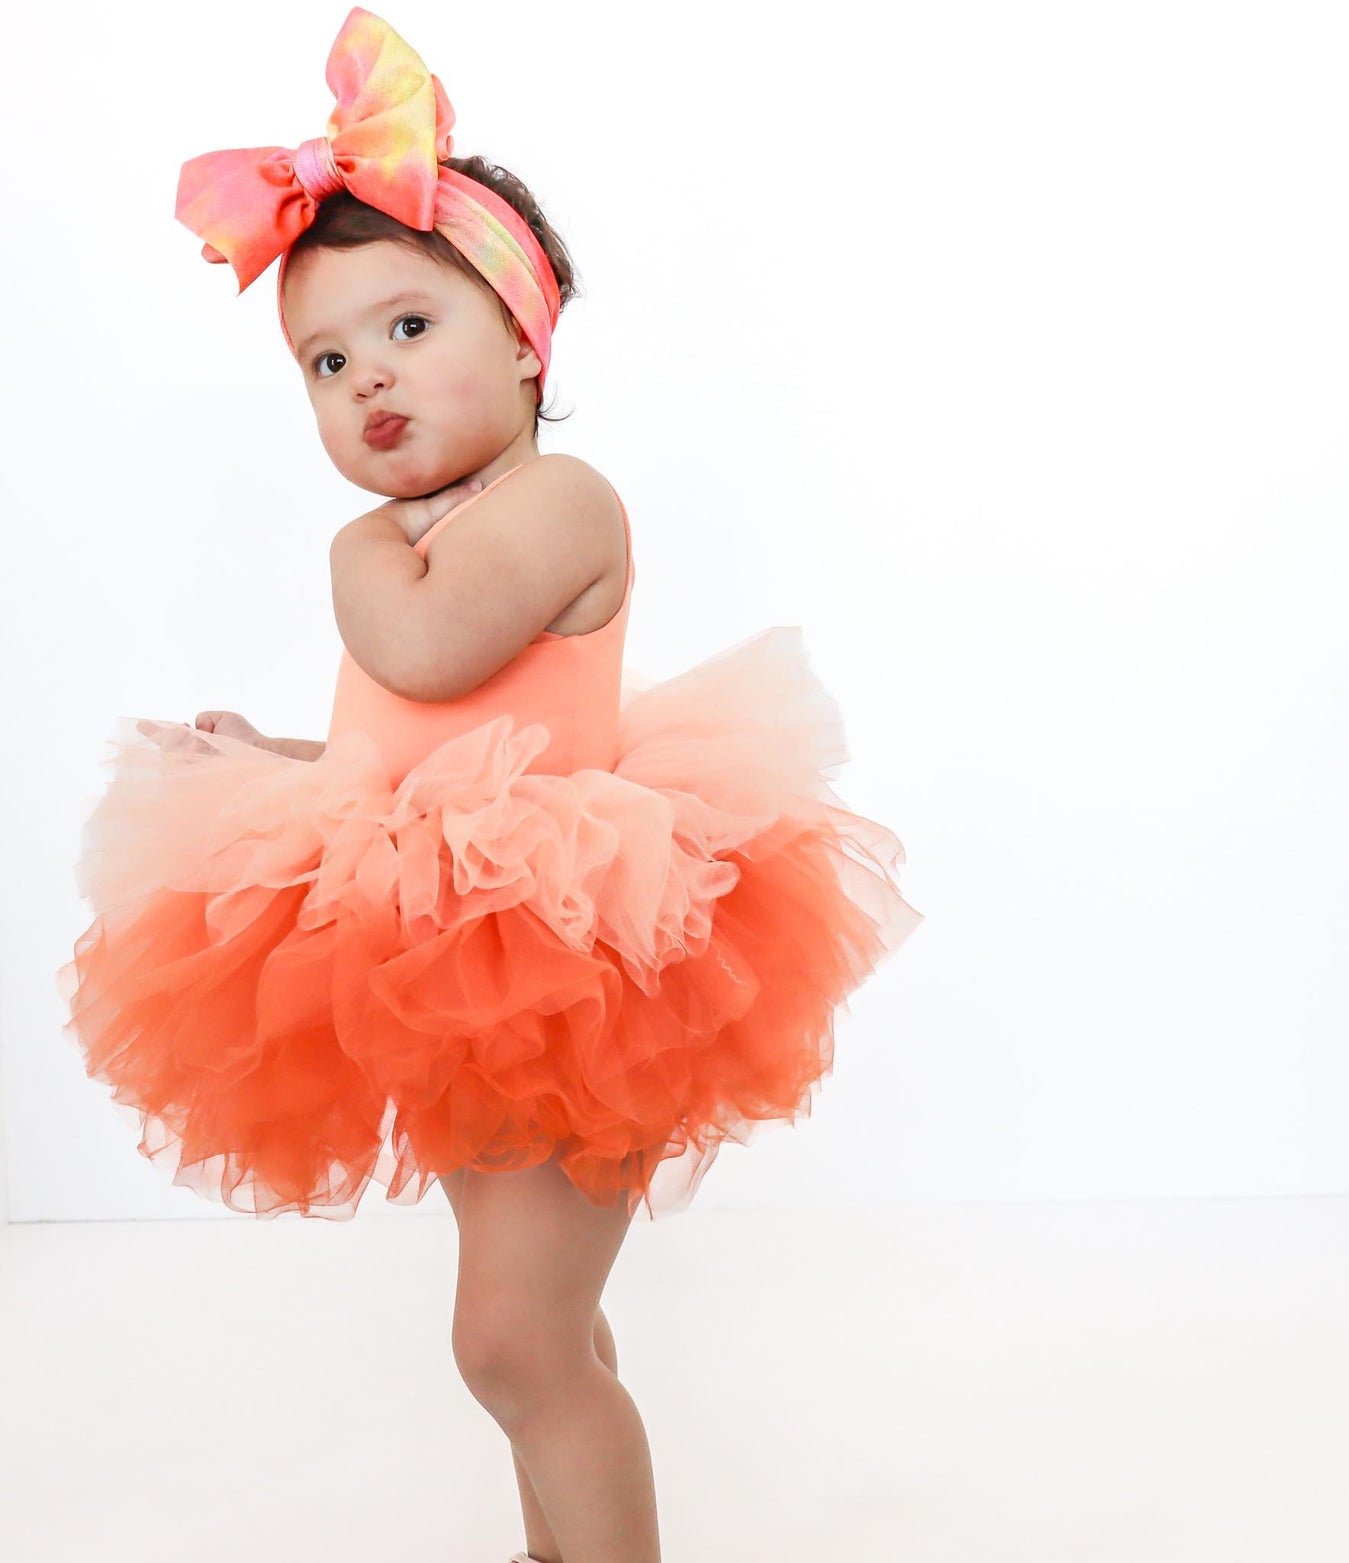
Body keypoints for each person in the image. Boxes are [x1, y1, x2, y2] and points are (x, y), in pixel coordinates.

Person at [55, 9, 923, 1561]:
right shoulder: (445, 524)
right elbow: (419, 743)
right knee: (537, 1335)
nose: (364, 384)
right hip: (454, 955)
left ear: (525, 339)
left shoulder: (549, 503)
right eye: (324, 361)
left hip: (562, 957)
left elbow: (430, 649)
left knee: (511, 1344)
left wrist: (351, 550)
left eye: (407, 330)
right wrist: (285, 762)